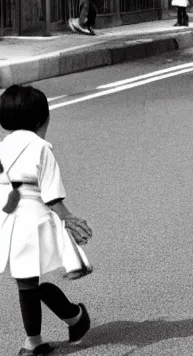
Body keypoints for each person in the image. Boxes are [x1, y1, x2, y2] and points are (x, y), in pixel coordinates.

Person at [0, 85, 93, 356]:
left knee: (26, 281)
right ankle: (73, 317)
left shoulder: (2, 148)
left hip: (10, 218)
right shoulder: (42, 149)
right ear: (42, 120)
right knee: (28, 282)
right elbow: (52, 194)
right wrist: (68, 219)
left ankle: (36, 341)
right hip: (32, 218)